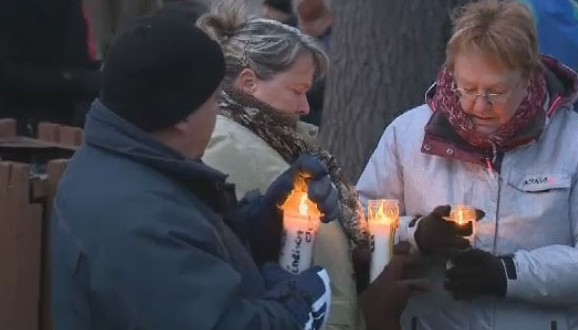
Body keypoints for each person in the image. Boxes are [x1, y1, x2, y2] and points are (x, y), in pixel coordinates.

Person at [51, 16, 340, 330]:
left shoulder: (136, 167)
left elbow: (195, 249)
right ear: (182, 116)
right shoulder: (137, 217)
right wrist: (299, 305)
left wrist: (267, 220)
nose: (218, 114)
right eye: (215, 101)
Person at [356, 0, 578, 329]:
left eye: (496, 92)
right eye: (466, 88)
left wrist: (510, 274)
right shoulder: (407, 134)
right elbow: (358, 221)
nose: (479, 106)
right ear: (450, 72)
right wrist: (417, 234)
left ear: (528, 76)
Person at [198, 2, 429, 328]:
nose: (306, 107)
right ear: (249, 83)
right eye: (297, 91)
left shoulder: (277, 143)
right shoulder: (227, 147)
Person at [0, 0, 101, 135]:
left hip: (68, 124)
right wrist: (79, 79)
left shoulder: (70, 6)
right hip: (20, 129)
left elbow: (80, 61)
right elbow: (9, 74)